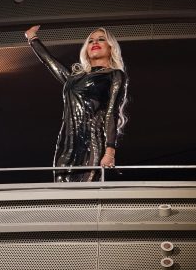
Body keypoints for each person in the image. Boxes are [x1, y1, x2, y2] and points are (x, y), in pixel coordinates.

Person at [24, 25, 128, 182]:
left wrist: (110, 152)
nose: (95, 42)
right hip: (66, 143)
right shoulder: (73, 78)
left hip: (92, 142)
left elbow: (111, 112)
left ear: (111, 47)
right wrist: (32, 39)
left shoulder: (115, 75)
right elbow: (50, 62)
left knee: (86, 190)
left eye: (101, 39)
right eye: (90, 41)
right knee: (61, 190)